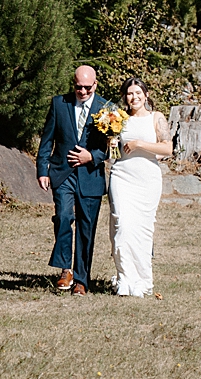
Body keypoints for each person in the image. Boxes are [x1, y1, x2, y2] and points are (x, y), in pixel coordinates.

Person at [37, 65, 114, 295]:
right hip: (62, 173)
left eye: (86, 88)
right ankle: (65, 269)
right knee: (63, 217)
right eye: (78, 86)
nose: (81, 91)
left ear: (95, 84)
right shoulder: (59, 104)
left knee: (85, 228)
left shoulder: (107, 109)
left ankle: (81, 280)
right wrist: (42, 169)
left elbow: (112, 148)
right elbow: (47, 139)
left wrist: (92, 156)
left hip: (90, 176)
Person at [108, 77, 172, 297]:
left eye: (137, 93)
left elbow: (167, 148)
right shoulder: (118, 118)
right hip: (122, 175)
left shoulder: (157, 118)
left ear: (145, 94)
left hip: (147, 178)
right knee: (122, 224)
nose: (133, 97)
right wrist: (111, 144)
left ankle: (143, 280)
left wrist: (139, 144)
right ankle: (124, 277)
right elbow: (113, 153)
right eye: (129, 93)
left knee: (143, 229)